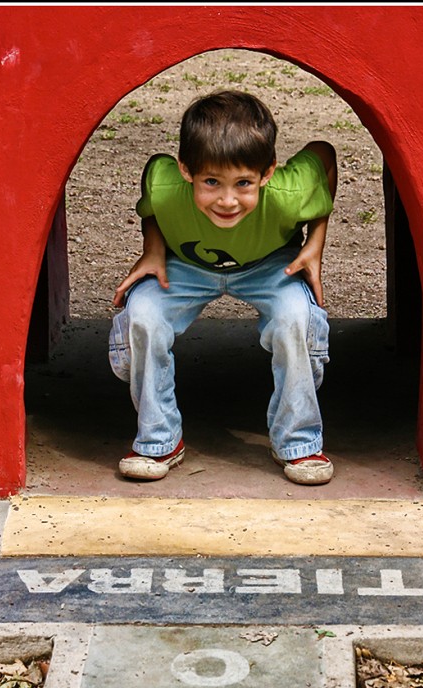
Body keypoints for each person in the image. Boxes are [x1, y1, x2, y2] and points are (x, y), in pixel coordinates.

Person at [109, 90, 337, 485]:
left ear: (268, 174)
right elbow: (153, 180)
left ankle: (299, 441)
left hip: (269, 266)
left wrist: (315, 245)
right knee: (143, 313)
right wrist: (153, 250)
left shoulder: (288, 193)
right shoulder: (167, 185)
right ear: (186, 171)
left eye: (244, 183)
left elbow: (324, 154)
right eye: (211, 181)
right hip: (187, 266)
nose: (227, 200)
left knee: (295, 317)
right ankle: (159, 439)